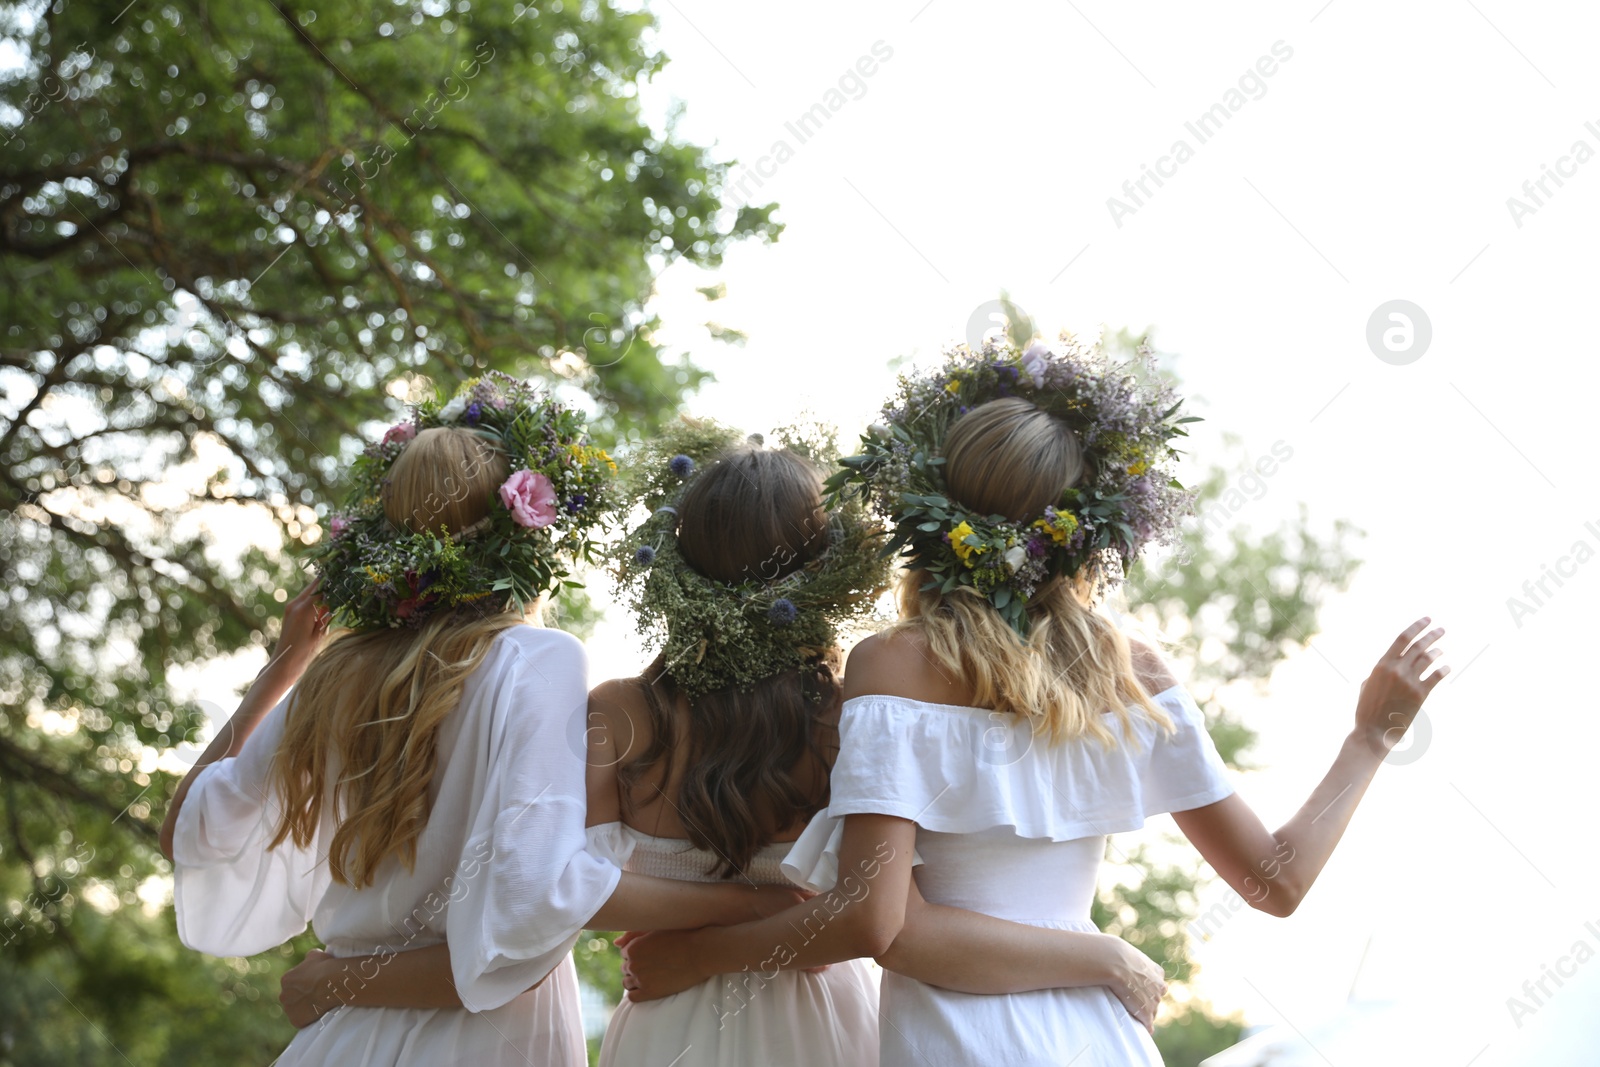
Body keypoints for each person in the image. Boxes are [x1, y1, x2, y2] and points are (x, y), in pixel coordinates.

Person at [619, 339, 1449, 1067]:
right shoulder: (1140, 672)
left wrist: (697, 959)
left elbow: (885, 928)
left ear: (931, 512)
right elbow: (1277, 880)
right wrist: (1370, 738)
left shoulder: (893, 667)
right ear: (1089, 529)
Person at [287, 420, 1183, 1065]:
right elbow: (886, 913)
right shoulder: (857, 714)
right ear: (826, 564)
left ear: (678, 561)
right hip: (825, 1017)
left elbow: (562, 894)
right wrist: (763, 906)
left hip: (665, 1014)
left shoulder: (618, 712)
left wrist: (697, 916)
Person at [161, 376, 800, 1067]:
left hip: (338, 1035)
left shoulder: (332, 676)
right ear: (521, 534)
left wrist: (283, 666)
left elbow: (184, 830)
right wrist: (748, 903)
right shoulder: (537, 658)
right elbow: (537, 894)